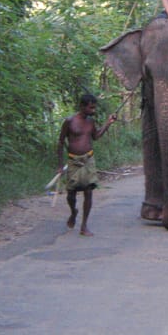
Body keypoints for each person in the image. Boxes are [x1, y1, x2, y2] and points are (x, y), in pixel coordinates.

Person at [55, 94, 117, 236]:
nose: (93, 110)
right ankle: (73, 212)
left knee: (88, 192)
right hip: (73, 161)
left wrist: (108, 123)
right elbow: (60, 143)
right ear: (82, 106)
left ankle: (84, 226)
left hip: (88, 159)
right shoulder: (69, 121)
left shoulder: (91, 121)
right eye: (91, 107)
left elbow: (95, 136)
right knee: (71, 193)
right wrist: (60, 165)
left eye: (94, 107)